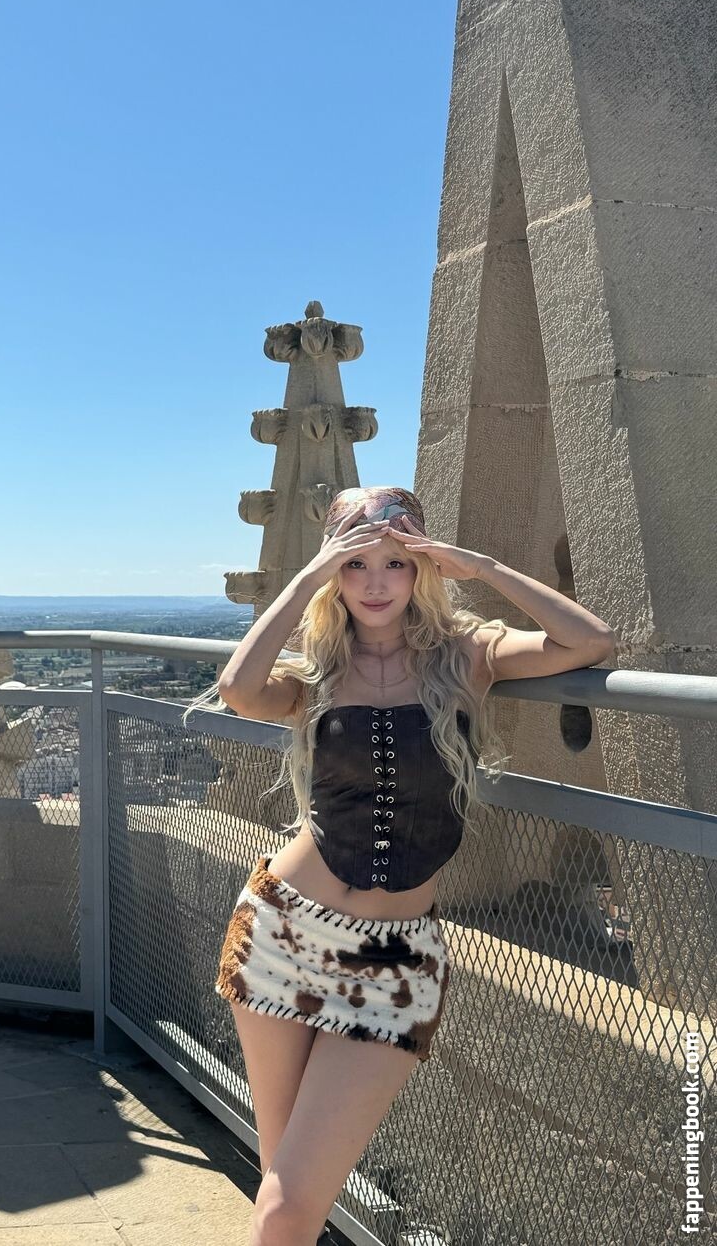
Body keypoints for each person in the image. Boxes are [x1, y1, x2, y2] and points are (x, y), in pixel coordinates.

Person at [182, 485, 617, 1246]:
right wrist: (305, 577)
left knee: (287, 1206)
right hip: (282, 935)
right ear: (334, 574)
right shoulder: (319, 670)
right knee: (284, 1194)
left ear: (421, 570)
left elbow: (590, 641)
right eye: (355, 564)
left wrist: (481, 566)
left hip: (395, 963)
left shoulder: (467, 655)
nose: (375, 582)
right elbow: (240, 690)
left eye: (395, 562)